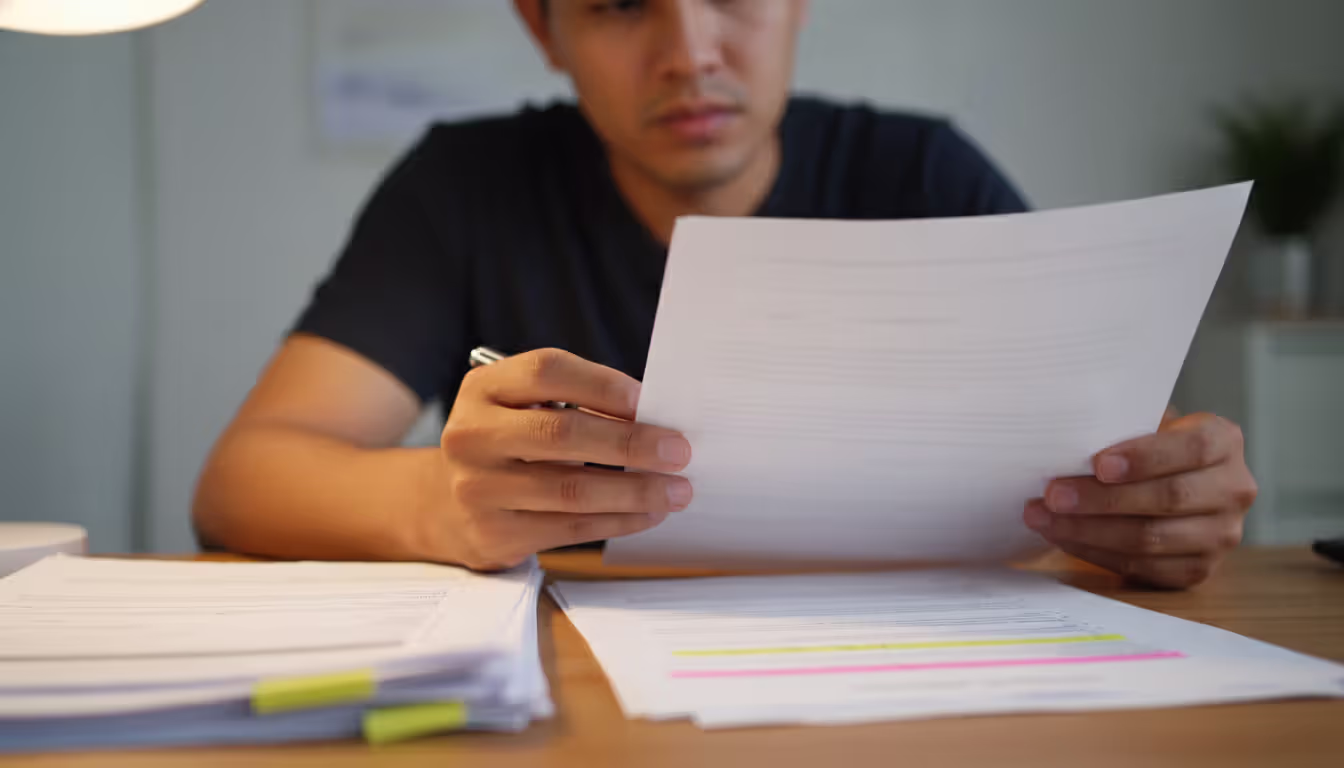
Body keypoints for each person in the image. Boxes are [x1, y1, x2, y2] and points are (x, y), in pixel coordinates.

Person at [194, 0, 1257, 588]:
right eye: (620, 4)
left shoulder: (923, 176)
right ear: (542, 25)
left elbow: (1112, 442)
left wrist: (1163, 495)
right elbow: (245, 479)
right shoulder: (464, 188)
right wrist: (439, 504)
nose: (690, 51)